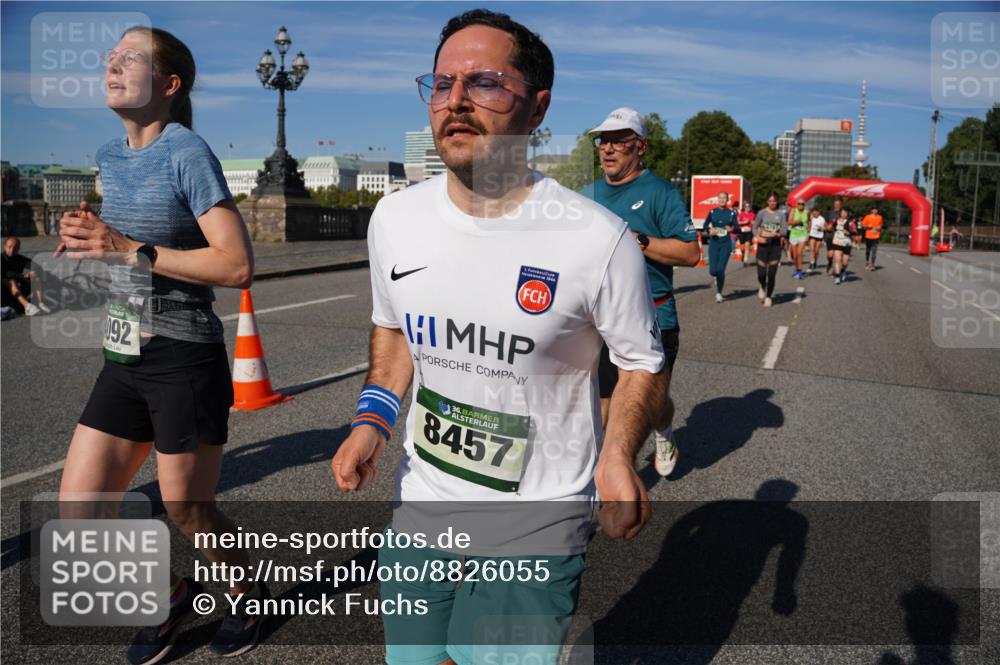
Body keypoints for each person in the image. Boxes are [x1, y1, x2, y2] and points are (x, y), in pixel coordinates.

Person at [330, 12, 670, 665]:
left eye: (485, 82)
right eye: (441, 82)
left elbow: (640, 363)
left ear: (538, 108)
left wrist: (618, 455)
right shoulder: (395, 219)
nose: (455, 99)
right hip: (423, 506)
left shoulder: (596, 240)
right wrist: (372, 420)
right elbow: (395, 329)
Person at [54, 27, 263, 664]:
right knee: (79, 513)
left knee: (187, 510)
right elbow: (126, 253)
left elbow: (235, 266)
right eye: (110, 58)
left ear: (169, 85)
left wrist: (129, 249)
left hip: (183, 354)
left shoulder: (186, 151)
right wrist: (91, 240)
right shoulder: (108, 154)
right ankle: (169, 597)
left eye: (130, 59)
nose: (111, 65)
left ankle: (243, 592)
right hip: (124, 350)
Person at [584, 106, 699, 477]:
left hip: (654, 316)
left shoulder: (660, 193)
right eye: (604, 141)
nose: (608, 149)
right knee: (603, 406)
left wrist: (637, 240)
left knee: (650, 405)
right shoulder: (586, 194)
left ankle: (664, 430)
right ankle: (600, 486)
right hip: (599, 321)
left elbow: (690, 252)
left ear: (640, 148)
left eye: (620, 141)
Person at [703, 191, 739, 302]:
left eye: (724, 198)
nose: (722, 200)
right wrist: (709, 230)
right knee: (713, 271)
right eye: (720, 198)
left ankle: (719, 292)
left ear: (727, 200)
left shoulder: (732, 213)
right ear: (717, 200)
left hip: (725, 244)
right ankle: (716, 277)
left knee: (720, 269)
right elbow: (705, 225)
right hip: (714, 243)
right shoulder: (713, 211)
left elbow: (737, 228)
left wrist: (732, 229)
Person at [753, 193, 787, 307]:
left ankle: (768, 296)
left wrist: (777, 233)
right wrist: (758, 237)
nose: (772, 203)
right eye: (770, 201)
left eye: (774, 201)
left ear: (777, 202)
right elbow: (754, 227)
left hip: (775, 246)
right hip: (763, 246)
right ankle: (762, 286)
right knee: (761, 274)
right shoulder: (762, 213)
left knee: (771, 274)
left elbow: (785, 231)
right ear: (767, 201)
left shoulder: (781, 215)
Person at [2, 236, 48, 315]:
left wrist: (33, 273)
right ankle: (27, 307)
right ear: (4, 246)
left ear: (18, 249)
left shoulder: (19, 258)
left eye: (15, 248)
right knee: (11, 281)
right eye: (9, 247)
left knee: (34, 277)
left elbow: (36, 266)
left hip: (17, 290)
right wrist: (22, 276)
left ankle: (40, 303)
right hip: (3, 293)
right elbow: (4, 273)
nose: (12, 250)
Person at [787, 199, 809, 279]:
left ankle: (800, 271)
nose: (800, 205)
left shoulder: (807, 212)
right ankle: (797, 269)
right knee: (795, 255)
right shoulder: (793, 211)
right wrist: (797, 222)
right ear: (797, 205)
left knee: (799, 253)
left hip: (802, 235)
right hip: (794, 235)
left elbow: (809, 222)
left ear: (804, 205)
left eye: (802, 204)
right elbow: (789, 222)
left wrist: (808, 233)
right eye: (799, 204)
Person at [831, 209, 853, 285]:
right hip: (837, 242)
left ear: (847, 214)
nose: (843, 214)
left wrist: (848, 233)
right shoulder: (836, 220)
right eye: (842, 212)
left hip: (847, 243)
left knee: (845, 262)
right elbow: (831, 228)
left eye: (845, 212)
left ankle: (843, 270)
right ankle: (837, 276)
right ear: (840, 213)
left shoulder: (850, 222)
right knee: (837, 260)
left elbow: (854, 231)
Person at [862, 206, 884, 271]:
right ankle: (867, 261)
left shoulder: (880, 217)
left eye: (876, 209)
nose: (875, 211)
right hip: (868, 236)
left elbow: (881, 225)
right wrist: (867, 226)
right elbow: (863, 225)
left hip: (876, 236)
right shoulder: (867, 217)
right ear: (871, 211)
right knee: (868, 250)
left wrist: (879, 227)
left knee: (874, 251)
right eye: (874, 209)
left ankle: (872, 265)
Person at [825, 198, 843, 273]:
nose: (837, 206)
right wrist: (827, 227)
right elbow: (825, 223)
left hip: (839, 236)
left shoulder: (843, 213)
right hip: (830, 235)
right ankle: (829, 263)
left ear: (840, 205)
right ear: (834, 205)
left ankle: (836, 271)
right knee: (830, 255)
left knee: (837, 255)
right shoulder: (829, 213)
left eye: (838, 204)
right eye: (836, 204)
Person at [807, 208, 826, 273]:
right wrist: (808, 230)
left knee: (816, 251)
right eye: (813, 212)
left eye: (816, 212)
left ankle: (815, 261)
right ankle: (811, 263)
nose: (814, 213)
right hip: (812, 235)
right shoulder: (811, 218)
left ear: (819, 212)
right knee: (812, 249)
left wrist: (821, 228)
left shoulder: (822, 219)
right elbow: (809, 226)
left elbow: (825, 227)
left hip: (819, 235)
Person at [737, 201, 755, 267]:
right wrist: (744, 222)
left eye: (749, 207)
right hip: (742, 232)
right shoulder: (741, 214)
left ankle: (745, 261)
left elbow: (754, 222)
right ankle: (743, 255)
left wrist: (753, 223)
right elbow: (737, 222)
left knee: (747, 245)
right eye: (746, 207)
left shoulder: (752, 214)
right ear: (744, 208)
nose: (748, 208)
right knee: (742, 249)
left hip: (749, 232)